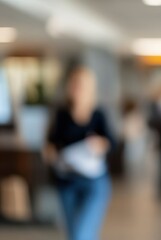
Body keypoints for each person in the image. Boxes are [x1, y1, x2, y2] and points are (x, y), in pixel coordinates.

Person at [44, 64, 114, 240]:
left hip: (94, 182)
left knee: (81, 235)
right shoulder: (61, 115)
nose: (77, 88)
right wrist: (50, 153)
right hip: (67, 181)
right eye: (74, 84)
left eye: (82, 84)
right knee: (75, 234)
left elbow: (111, 142)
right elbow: (51, 143)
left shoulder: (98, 114)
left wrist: (100, 143)